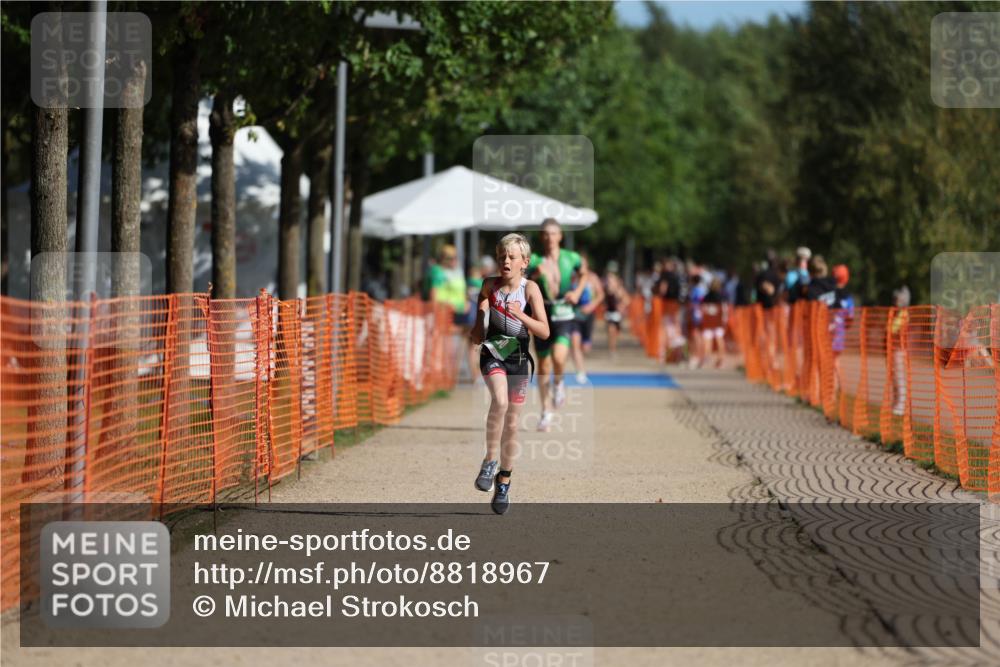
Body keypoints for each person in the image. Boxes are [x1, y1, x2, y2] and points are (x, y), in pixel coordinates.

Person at [469, 233, 549, 515]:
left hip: (518, 358)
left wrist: (521, 315)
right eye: (502, 256)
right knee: (500, 402)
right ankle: (489, 461)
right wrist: (480, 317)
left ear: (524, 262)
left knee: (512, 423)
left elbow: (544, 330)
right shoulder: (489, 284)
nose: (506, 261)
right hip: (493, 352)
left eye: (512, 257)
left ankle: (504, 482)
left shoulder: (530, 290)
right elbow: (482, 302)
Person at [527, 219, 587, 432]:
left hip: (564, 314)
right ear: (541, 236)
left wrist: (577, 292)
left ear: (560, 235)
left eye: (553, 233)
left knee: (559, 357)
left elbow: (584, 273)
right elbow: (522, 278)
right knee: (543, 366)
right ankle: (546, 411)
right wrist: (535, 275)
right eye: (545, 234)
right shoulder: (534, 259)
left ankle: (559, 382)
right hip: (542, 315)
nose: (549, 238)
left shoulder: (572, 257)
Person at [428, 244, 473, 380]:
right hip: (445, 313)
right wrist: (439, 309)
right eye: (450, 258)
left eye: (455, 258)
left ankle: (458, 374)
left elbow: (461, 292)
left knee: (465, 342)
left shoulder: (457, 272)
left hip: (461, 314)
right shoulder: (438, 272)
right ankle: (441, 373)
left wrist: (465, 302)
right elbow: (434, 294)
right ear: (443, 259)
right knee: (444, 343)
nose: (454, 260)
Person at [569, 254, 605, 383]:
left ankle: (580, 362)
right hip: (574, 315)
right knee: (575, 343)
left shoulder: (593, 278)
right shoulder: (572, 278)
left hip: (588, 315)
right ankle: (580, 371)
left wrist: (591, 306)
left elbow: (601, 295)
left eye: (582, 264)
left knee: (585, 347)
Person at [603, 261, 631, 360]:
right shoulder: (606, 290)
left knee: (616, 333)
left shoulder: (619, 290)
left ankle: (613, 347)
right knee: (611, 331)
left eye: (612, 280)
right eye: (609, 281)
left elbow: (627, 300)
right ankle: (612, 350)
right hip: (609, 313)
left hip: (617, 314)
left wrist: (622, 306)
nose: (610, 282)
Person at [699, 277, 727, 368]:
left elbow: (703, 308)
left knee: (708, 339)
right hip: (718, 321)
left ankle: (706, 358)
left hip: (708, 321)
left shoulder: (706, 296)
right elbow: (724, 309)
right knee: (719, 339)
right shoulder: (721, 296)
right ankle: (720, 359)